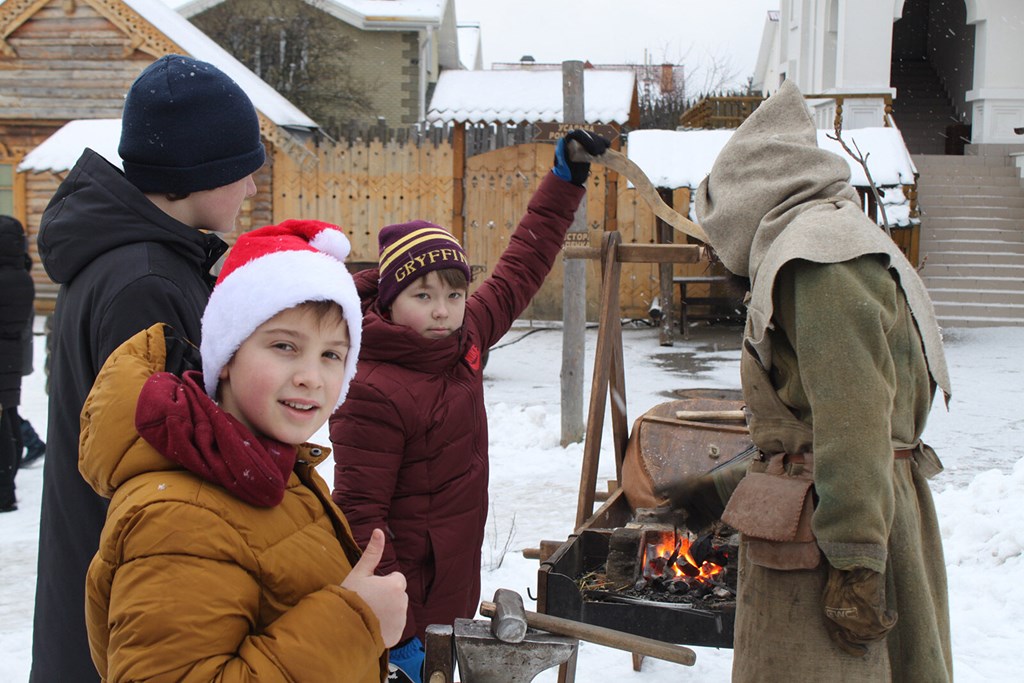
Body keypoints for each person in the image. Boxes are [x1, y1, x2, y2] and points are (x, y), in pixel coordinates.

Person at [658, 80, 953, 681]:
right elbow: (818, 433)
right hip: (837, 518)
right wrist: (721, 490)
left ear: (742, 205)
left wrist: (857, 562)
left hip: (832, 544)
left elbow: (857, 424)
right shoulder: (826, 244)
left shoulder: (819, 260)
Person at [329, 130, 609, 681]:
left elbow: (521, 265)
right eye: (423, 295)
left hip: (450, 580)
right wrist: (396, 625)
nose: (442, 310)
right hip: (403, 608)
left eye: (454, 295)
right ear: (389, 300)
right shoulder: (371, 388)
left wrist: (566, 180)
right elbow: (358, 515)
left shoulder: (464, 340)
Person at [79, 218, 405, 680]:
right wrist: (354, 621)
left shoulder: (268, 470)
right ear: (228, 356)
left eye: (332, 355)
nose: (312, 376)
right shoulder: (180, 517)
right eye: (285, 346)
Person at [32, 54, 266, 681]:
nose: (251, 188)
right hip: (129, 614)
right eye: (243, 171)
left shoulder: (141, 262)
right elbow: (162, 470)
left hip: (107, 595)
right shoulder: (147, 284)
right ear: (198, 172)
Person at [0, 215, 35, 512]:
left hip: (4, 359)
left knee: (5, 423)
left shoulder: (7, 277)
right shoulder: (20, 273)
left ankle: (4, 490)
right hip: (10, 359)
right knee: (9, 417)